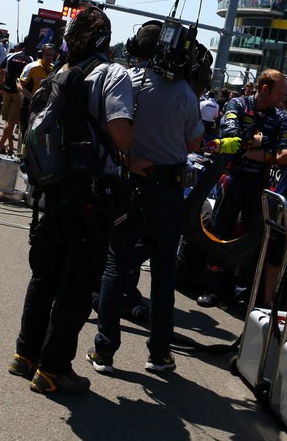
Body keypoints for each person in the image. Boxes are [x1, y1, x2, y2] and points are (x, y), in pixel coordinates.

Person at [10, 6, 133, 395]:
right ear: (105, 40)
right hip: (92, 194)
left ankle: (25, 354)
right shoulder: (112, 74)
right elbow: (120, 134)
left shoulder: (59, 71)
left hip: (54, 187)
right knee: (78, 284)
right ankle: (54, 368)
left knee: (44, 274)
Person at [89, 21, 203, 376]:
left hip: (131, 185)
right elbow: (195, 143)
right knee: (163, 273)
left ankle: (104, 351)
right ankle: (159, 354)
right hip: (167, 192)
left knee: (115, 266)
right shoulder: (184, 91)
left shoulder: (129, 82)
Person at [197, 69, 287, 308]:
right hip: (232, 177)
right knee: (220, 230)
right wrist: (258, 143)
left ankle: (242, 293)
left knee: (253, 236)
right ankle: (214, 289)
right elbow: (230, 136)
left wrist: (249, 145)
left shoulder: (279, 117)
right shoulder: (237, 104)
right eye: (279, 92)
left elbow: (277, 152)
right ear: (264, 89)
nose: (283, 97)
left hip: (259, 182)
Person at [0, 42, 33, 156]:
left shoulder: (11, 56)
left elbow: (2, 72)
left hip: (7, 90)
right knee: (11, 122)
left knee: (7, 121)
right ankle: (0, 145)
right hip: (18, 92)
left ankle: (10, 146)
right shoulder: (30, 59)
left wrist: (2, 86)